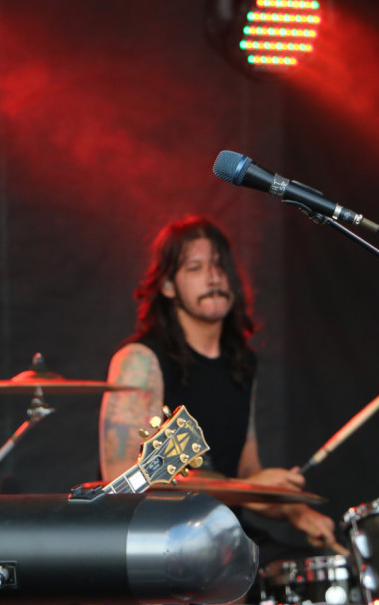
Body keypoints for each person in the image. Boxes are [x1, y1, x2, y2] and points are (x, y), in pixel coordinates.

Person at [98, 214, 340, 558]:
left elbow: (247, 475)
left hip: (221, 533)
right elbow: (124, 476)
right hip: (155, 541)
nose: (212, 276)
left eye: (219, 265)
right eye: (194, 268)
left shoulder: (241, 365)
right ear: (168, 286)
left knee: (313, 573)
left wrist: (295, 511)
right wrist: (251, 487)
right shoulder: (140, 361)